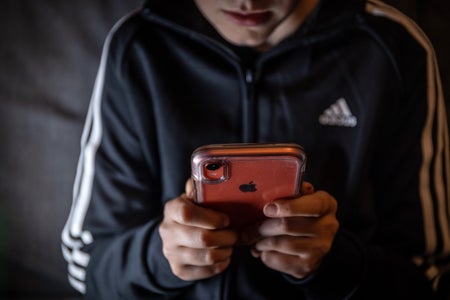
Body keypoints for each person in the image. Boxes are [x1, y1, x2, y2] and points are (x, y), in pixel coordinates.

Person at [61, 0, 450, 299]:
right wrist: (160, 258)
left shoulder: (394, 49)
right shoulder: (138, 49)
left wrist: (332, 261)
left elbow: (425, 273)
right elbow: (86, 266)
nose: (246, 2)